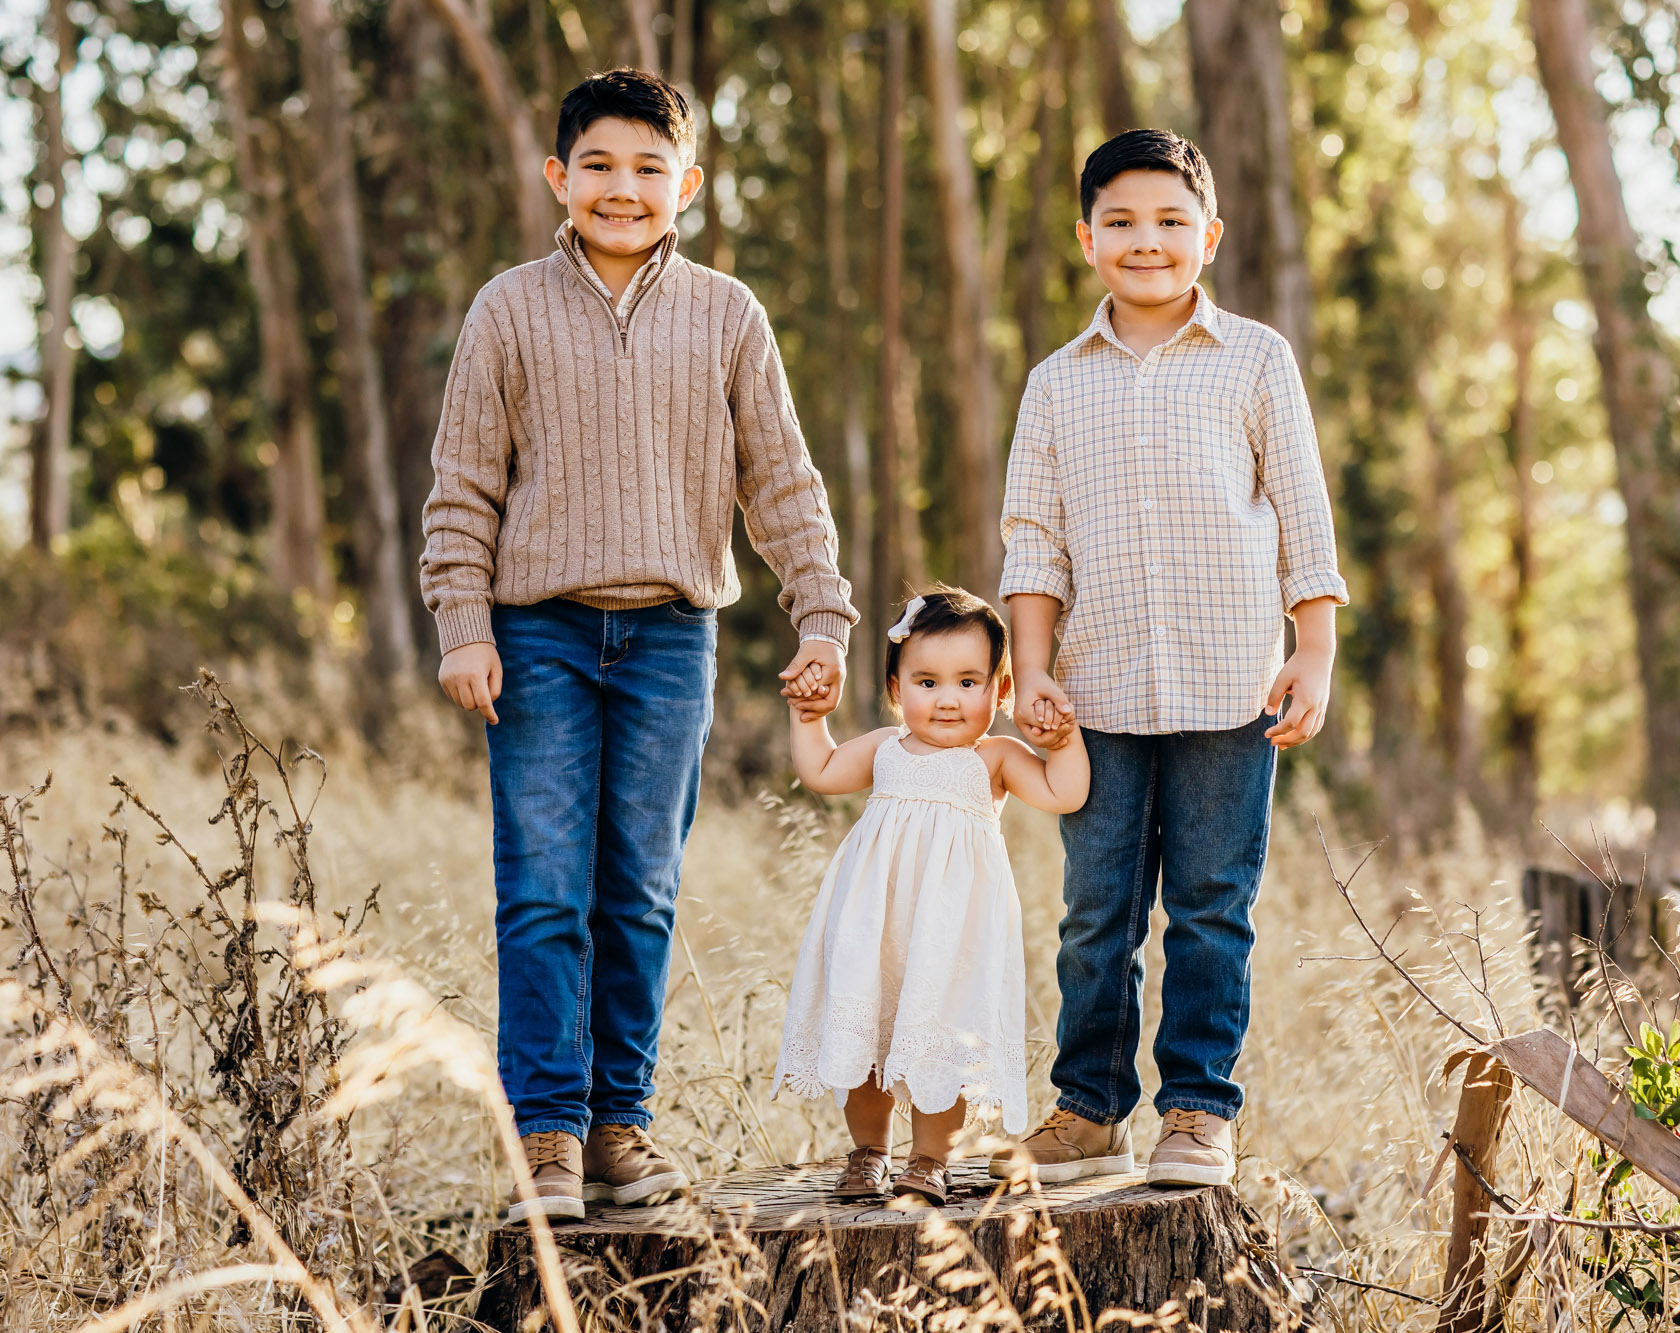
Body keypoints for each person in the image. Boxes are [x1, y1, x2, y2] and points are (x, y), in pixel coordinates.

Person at [419, 68, 855, 1223]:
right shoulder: (507, 307)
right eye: (598, 166)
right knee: (543, 890)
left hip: (671, 637)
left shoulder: (727, 314)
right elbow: (462, 487)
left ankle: (619, 1126)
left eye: (648, 169)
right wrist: (464, 624)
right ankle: (548, 1138)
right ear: (558, 177)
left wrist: (820, 612)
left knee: (642, 889)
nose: (622, 189)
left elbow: (780, 481)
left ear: (688, 185)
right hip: (540, 634)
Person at [993, 129, 1348, 1189]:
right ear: (1084, 237)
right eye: (1120, 223)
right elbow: (1031, 536)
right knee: (1096, 911)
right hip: (1093, 690)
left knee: (1207, 906)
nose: (1145, 242)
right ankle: (1087, 1109)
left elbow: (1301, 511)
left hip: (1229, 682)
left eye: (1168, 222)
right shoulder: (1056, 381)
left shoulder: (1253, 360)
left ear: (1208, 236)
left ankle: (1196, 1111)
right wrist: (1030, 665)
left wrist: (1313, 649)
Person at [773, 588, 1090, 1205]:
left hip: (951, 932)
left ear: (1000, 692)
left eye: (969, 682)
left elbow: (1065, 793)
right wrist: (808, 718)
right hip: (875, 923)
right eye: (926, 682)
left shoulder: (994, 757)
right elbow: (821, 772)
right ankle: (868, 1151)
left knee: (939, 1037)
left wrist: (1062, 741)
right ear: (896, 688)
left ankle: (929, 1159)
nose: (947, 698)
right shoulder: (884, 748)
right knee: (869, 1032)